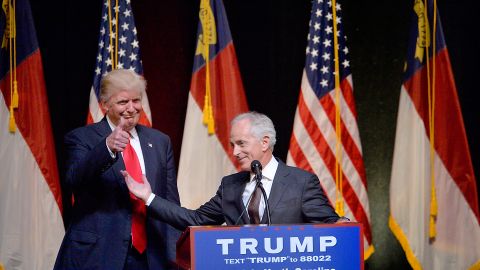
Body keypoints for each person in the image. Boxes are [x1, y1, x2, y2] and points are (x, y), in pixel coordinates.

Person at [122, 111, 348, 232]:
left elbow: (329, 224)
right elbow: (195, 219)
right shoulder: (230, 185)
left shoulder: (302, 182)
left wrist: (342, 224)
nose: (235, 151)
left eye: (241, 143)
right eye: (232, 145)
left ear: (264, 142)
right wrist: (148, 197)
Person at [54, 69, 180, 270]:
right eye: (123, 102)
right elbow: (73, 179)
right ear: (105, 104)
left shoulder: (160, 142)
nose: (131, 108)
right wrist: (106, 148)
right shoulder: (81, 138)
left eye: (136, 101)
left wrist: (175, 254)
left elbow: (169, 200)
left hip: (150, 257)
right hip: (99, 255)